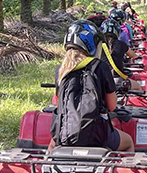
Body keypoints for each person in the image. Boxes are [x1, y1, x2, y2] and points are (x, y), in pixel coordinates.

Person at [50, 21, 134, 152]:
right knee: (128, 142)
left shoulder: (60, 70)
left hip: (64, 135)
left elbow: (57, 103)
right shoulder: (100, 67)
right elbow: (111, 106)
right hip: (97, 136)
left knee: (50, 149)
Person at [100, 19, 143, 92]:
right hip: (118, 80)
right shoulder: (121, 44)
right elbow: (133, 56)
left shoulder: (98, 46)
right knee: (138, 86)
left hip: (102, 82)